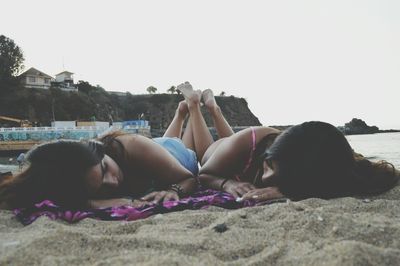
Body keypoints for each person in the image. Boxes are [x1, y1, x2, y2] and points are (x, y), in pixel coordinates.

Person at [176, 82, 400, 202]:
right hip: (219, 153)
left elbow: (330, 182)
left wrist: (289, 190)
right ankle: (196, 105)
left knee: (232, 142)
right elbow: (203, 175)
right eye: (269, 165)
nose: (265, 178)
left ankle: (215, 109)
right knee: (202, 152)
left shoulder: (319, 165)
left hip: (239, 149)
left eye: (275, 171)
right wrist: (227, 184)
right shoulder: (249, 143)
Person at [0, 101, 201, 210]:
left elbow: (189, 179)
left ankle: (192, 108)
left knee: (183, 146)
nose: (113, 182)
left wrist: (176, 190)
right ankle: (181, 114)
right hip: (155, 156)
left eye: (105, 168)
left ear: (101, 150)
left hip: (174, 156)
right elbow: (23, 194)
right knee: (167, 148)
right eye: (101, 187)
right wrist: (90, 203)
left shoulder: (132, 145)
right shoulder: (67, 182)